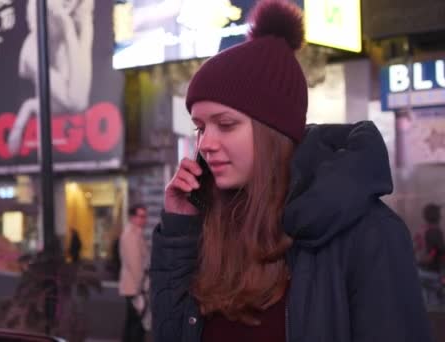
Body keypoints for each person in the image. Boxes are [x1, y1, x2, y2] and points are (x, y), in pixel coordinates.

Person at [150, 1, 433, 341]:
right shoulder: (215, 226)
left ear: (274, 131)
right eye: (200, 128)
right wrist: (180, 230)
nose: (205, 144)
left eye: (225, 124)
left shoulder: (369, 235)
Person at [8, 0, 94, 155]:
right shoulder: (32, 50)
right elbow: (76, 102)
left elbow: (78, 100)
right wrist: (67, 29)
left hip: (61, 112)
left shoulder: (77, 27)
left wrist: (69, 31)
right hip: (57, 104)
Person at [119, 204, 149, 342]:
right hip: (135, 287)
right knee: (136, 325)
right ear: (132, 217)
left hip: (135, 286)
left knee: (133, 322)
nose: (144, 220)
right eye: (141, 216)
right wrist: (141, 289)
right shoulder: (131, 235)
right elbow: (135, 264)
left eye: (145, 216)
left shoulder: (136, 233)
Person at [417, 203, 445, 305]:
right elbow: (435, 253)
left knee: (428, 303)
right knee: (437, 305)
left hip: (423, 272)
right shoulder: (435, 232)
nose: (441, 216)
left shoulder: (423, 230)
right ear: (436, 216)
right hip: (432, 273)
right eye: (439, 214)